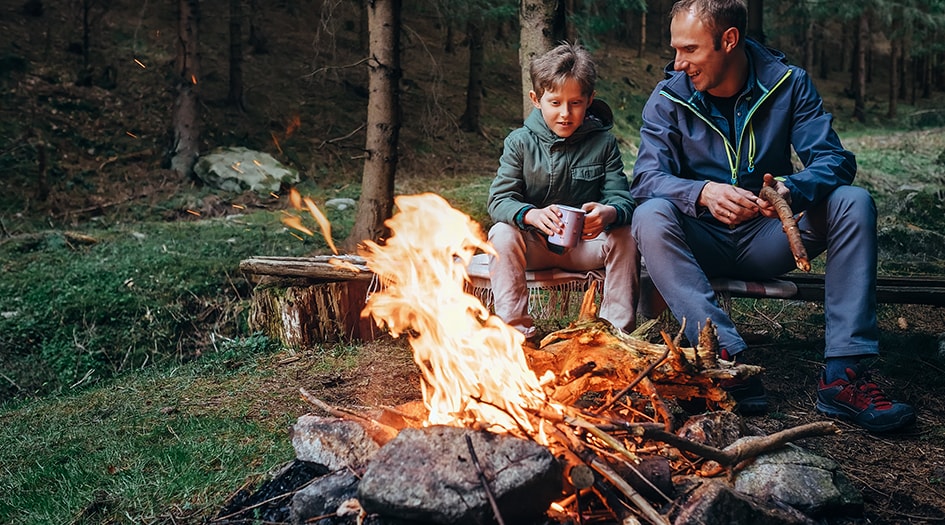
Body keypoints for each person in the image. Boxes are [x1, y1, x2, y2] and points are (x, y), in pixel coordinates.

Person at [630, 0, 916, 432]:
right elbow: (646, 178)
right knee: (650, 214)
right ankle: (725, 358)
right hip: (696, 243)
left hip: (769, 238)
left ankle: (844, 376)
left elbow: (833, 160)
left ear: (728, 40)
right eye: (676, 49)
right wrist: (701, 193)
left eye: (690, 49)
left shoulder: (789, 84)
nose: (678, 62)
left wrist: (790, 189)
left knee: (853, 201)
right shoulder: (669, 96)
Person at [487, 42, 639, 344]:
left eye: (576, 103)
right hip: (535, 247)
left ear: (590, 100)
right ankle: (516, 336)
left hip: (586, 246)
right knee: (501, 233)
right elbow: (498, 200)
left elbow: (622, 199)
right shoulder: (519, 143)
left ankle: (615, 337)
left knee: (626, 235)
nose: (565, 114)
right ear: (536, 99)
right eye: (555, 103)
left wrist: (609, 212)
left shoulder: (603, 143)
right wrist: (530, 214)